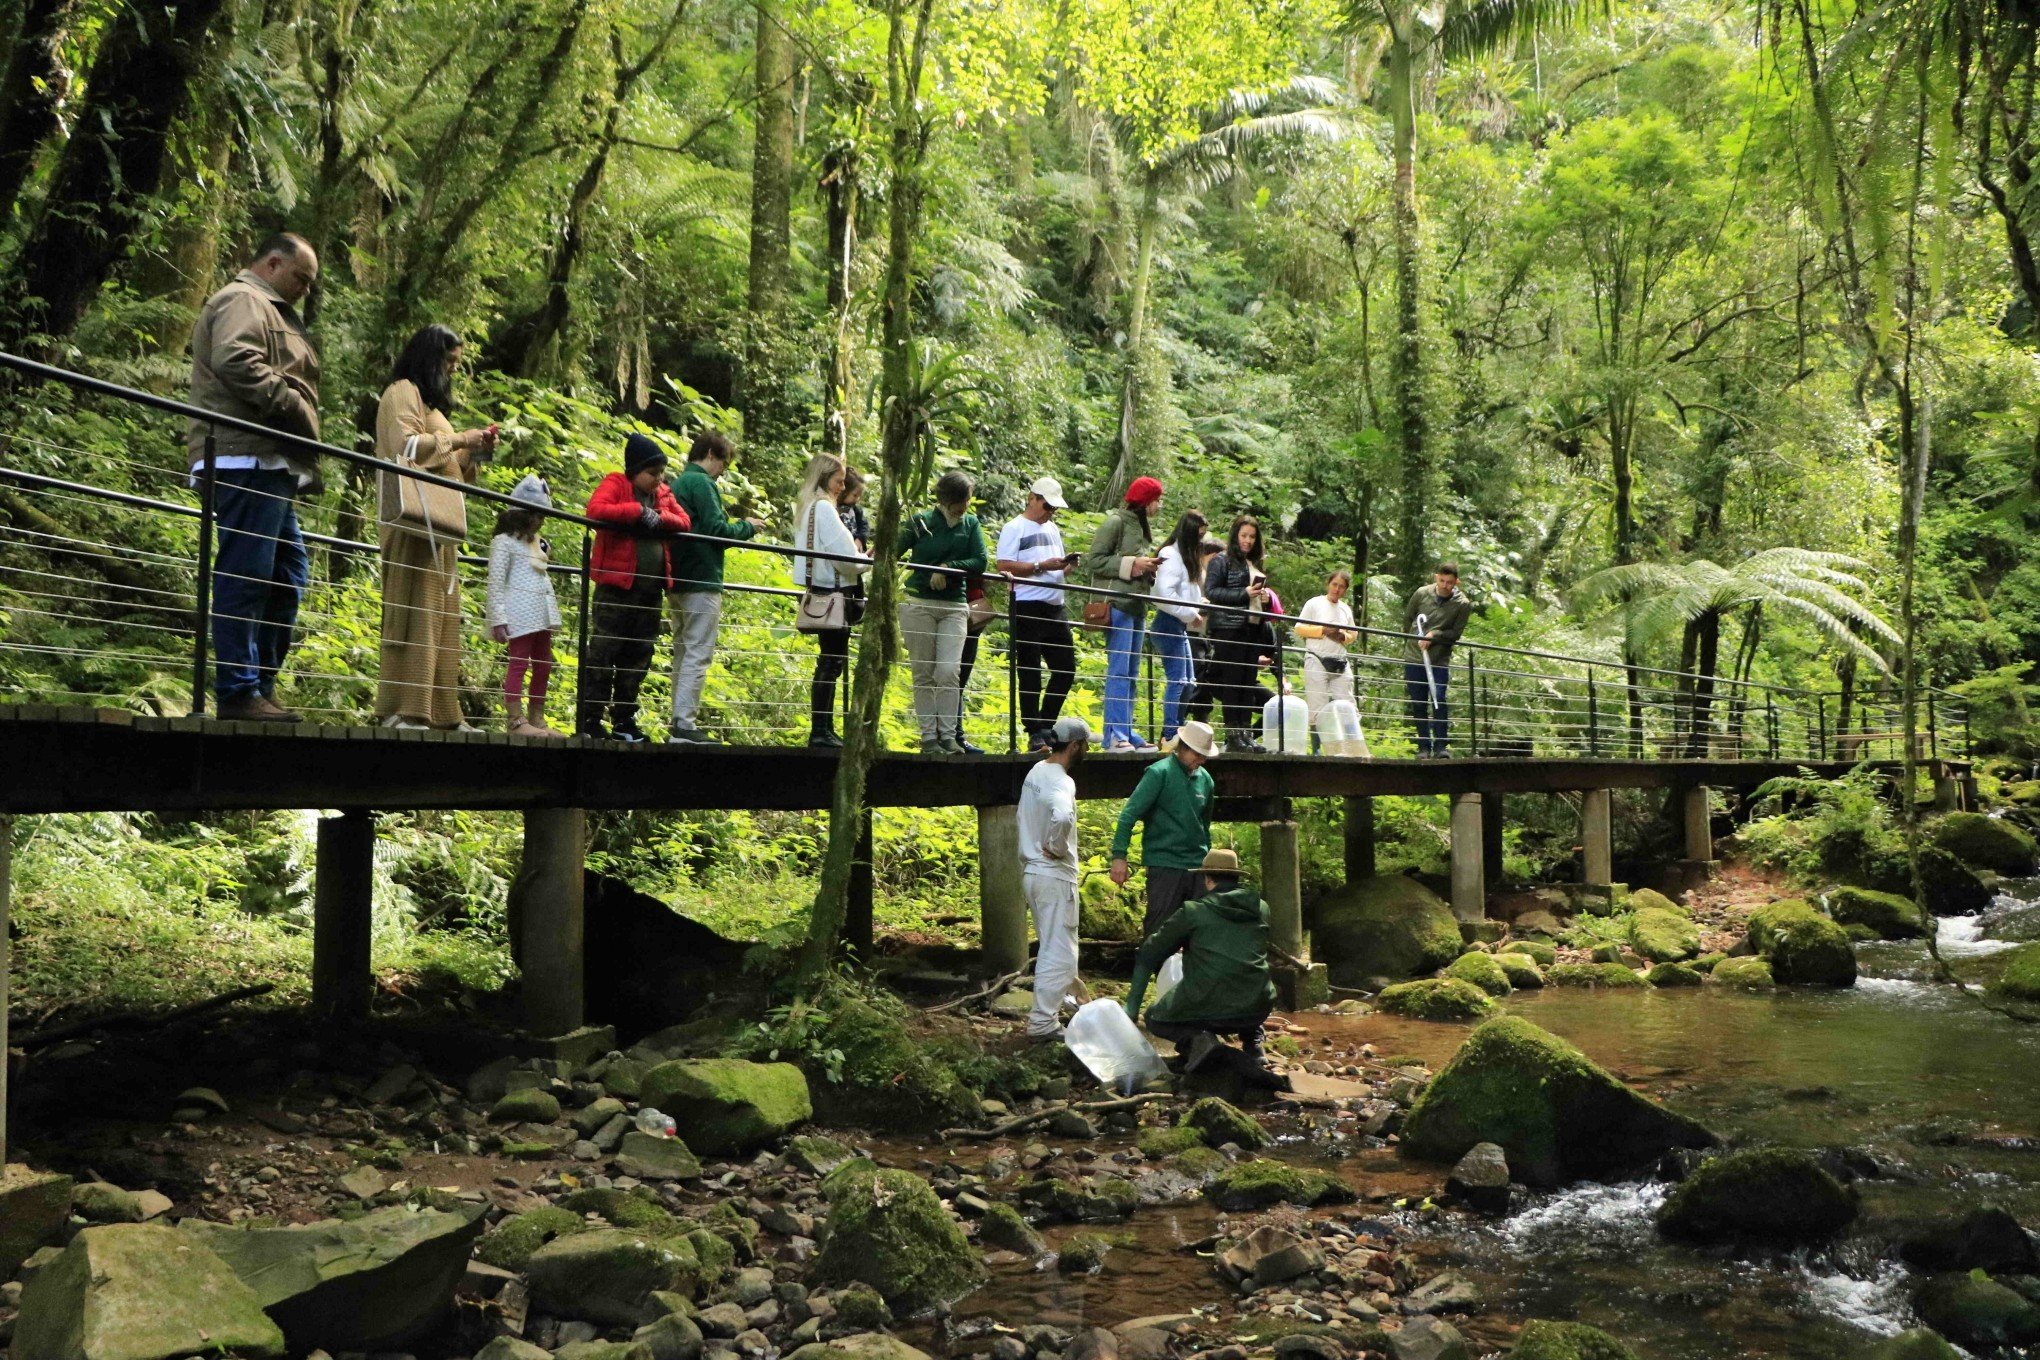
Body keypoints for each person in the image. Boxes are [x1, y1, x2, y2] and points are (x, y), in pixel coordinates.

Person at [188, 232, 322, 722]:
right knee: (246, 573)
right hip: (244, 457)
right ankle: (238, 692)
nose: (305, 288)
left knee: (287, 574)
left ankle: (257, 688)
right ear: (271, 263)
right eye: (301, 277)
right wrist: (292, 405)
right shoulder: (245, 299)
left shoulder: (269, 306)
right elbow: (236, 359)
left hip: (270, 462)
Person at [373, 324, 498, 730]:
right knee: (416, 614)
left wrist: (475, 452)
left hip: (439, 530)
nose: (452, 371)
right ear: (429, 357)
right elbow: (405, 448)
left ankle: (444, 714)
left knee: (445, 619)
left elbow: (454, 466)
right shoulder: (401, 392)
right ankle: (406, 710)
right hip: (411, 527)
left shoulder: (434, 411)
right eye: (448, 362)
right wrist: (462, 438)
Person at [1122, 847, 1283, 1087]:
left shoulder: (1193, 911)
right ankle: (1253, 1045)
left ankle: (1198, 1041)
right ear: (1236, 878)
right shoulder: (1261, 909)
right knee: (1244, 978)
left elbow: (1148, 954)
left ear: (1207, 878)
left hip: (1208, 1005)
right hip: (1257, 1007)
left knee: (1155, 1017)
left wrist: (1132, 1009)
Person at [578, 435, 691, 741]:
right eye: (652, 473)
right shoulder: (616, 484)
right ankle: (589, 718)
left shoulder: (663, 494)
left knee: (638, 655)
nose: (659, 480)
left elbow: (683, 521)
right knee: (604, 651)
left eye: (661, 473)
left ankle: (624, 720)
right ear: (635, 470)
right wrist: (637, 513)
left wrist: (659, 517)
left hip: (649, 592)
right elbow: (596, 511)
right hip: (616, 589)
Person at [666, 431, 765, 745]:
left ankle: (678, 720)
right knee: (698, 651)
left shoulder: (677, 483)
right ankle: (684, 724)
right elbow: (716, 530)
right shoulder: (702, 484)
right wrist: (749, 526)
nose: (723, 470)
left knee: (682, 649)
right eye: (723, 462)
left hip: (677, 578)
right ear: (710, 454)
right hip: (702, 578)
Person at [899, 469, 988, 754]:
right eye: (960, 502)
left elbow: (980, 560)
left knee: (949, 671)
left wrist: (948, 569)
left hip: (954, 606)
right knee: (923, 672)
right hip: (919, 604)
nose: (964, 508)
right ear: (946, 500)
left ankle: (948, 735)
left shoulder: (970, 524)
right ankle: (929, 737)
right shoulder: (922, 522)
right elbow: (892, 550)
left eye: (967, 502)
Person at [1017, 715, 1092, 1041]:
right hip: (1053, 876)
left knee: (1052, 946)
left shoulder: (1037, 771)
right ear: (1074, 745)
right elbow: (1061, 815)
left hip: (1033, 874)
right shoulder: (1063, 781)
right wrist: (1057, 847)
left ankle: (1067, 1006)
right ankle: (1043, 1024)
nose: (1087, 751)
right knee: (1059, 952)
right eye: (1086, 745)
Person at [1109, 718, 1218, 935]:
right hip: (1165, 863)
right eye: (1197, 754)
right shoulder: (1159, 773)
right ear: (1183, 748)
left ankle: (1191, 968)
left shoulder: (1206, 780)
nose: (1201, 760)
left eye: (1204, 755)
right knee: (1160, 930)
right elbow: (1129, 815)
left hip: (1196, 865)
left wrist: (1210, 865)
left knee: (1200, 931)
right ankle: (1152, 968)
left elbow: (1204, 825)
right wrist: (1119, 856)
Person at [996, 476, 1080, 750]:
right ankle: (1034, 730)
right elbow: (1004, 565)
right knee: (1030, 669)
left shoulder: (1053, 528)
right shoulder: (1014, 527)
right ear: (1032, 498)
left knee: (1065, 668)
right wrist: (1039, 566)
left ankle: (1046, 724)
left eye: (1053, 508)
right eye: (1046, 506)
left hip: (1055, 606)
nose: (1049, 512)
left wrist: (1065, 567)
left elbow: (1053, 566)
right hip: (1027, 604)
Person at [793, 452, 869, 748]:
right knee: (831, 662)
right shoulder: (824, 509)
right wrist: (865, 560)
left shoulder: (807, 507)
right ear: (826, 479)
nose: (842, 486)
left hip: (820, 589)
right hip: (836, 593)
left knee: (829, 661)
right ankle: (820, 730)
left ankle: (823, 728)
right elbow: (846, 559)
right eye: (839, 481)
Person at [1086, 476, 1165, 750]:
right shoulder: (1116, 522)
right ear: (1144, 502)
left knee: (1131, 672)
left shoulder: (1141, 527)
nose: (1159, 505)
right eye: (1157, 499)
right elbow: (1094, 560)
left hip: (1136, 605)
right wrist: (1134, 563)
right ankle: (1114, 736)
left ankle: (1126, 731)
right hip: (1117, 604)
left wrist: (1148, 567)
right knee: (1119, 671)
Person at [487, 474, 565, 738]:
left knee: (544, 663)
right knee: (518, 663)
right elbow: (496, 582)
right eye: (538, 515)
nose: (542, 521)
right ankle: (514, 720)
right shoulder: (503, 543)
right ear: (522, 514)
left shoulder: (536, 543)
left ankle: (537, 718)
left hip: (540, 613)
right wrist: (497, 618)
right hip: (518, 614)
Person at [1203, 515, 1271, 752]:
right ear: (1235, 535)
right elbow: (1212, 592)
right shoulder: (1221, 561)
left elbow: (1257, 598)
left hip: (1252, 628)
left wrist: (1265, 598)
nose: (1248, 541)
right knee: (1233, 683)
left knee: (1247, 683)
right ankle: (1233, 736)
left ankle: (1246, 735)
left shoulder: (1253, 563)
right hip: (1229, 628)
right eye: (1244, 536)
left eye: (1252, 537)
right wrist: (1244, 593)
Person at [1150, 510, 1208, 745]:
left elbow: (1181, 591)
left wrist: (1196, 605)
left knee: (1189, 682)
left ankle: (1175, 728)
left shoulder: (1182, 556)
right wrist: (1190, 612)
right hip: (1167, 623)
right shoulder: (1170, 554)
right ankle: (1170, 733)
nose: (1200, 542)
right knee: (1178, 681)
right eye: (1199, 536)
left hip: (1178, 625)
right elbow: (1164, 593)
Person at [1296, 568, 1368, 755]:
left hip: (1339, 659)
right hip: (1316, 656)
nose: (1337, 589)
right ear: (1329, 584)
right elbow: (1299, 627)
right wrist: (1322, 630)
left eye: (1341, 587)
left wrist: (1341, 636)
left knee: (1347, 703)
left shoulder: (1345, 609)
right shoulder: (1314, 603)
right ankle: (1318, 749)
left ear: (1345, 590)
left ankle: (1351, 746)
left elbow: (1353, 633)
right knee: (1317, 703)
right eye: (1334, 584)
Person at [1404, 562, 1470, 757]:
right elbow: (1408, 619)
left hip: (1439, 660)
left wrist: (1435, 635)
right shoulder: (1421, 593)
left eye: (1450, 582)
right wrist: (1415, 639)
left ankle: (1441, 747)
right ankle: (1424, 747)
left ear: (1457, 582)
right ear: (1436, 578)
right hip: (1414, 657)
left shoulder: (1462, 604)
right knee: (1418, 702)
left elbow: (1455, 633)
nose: (1445, 585)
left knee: (1438, 699)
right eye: (1442, 581)